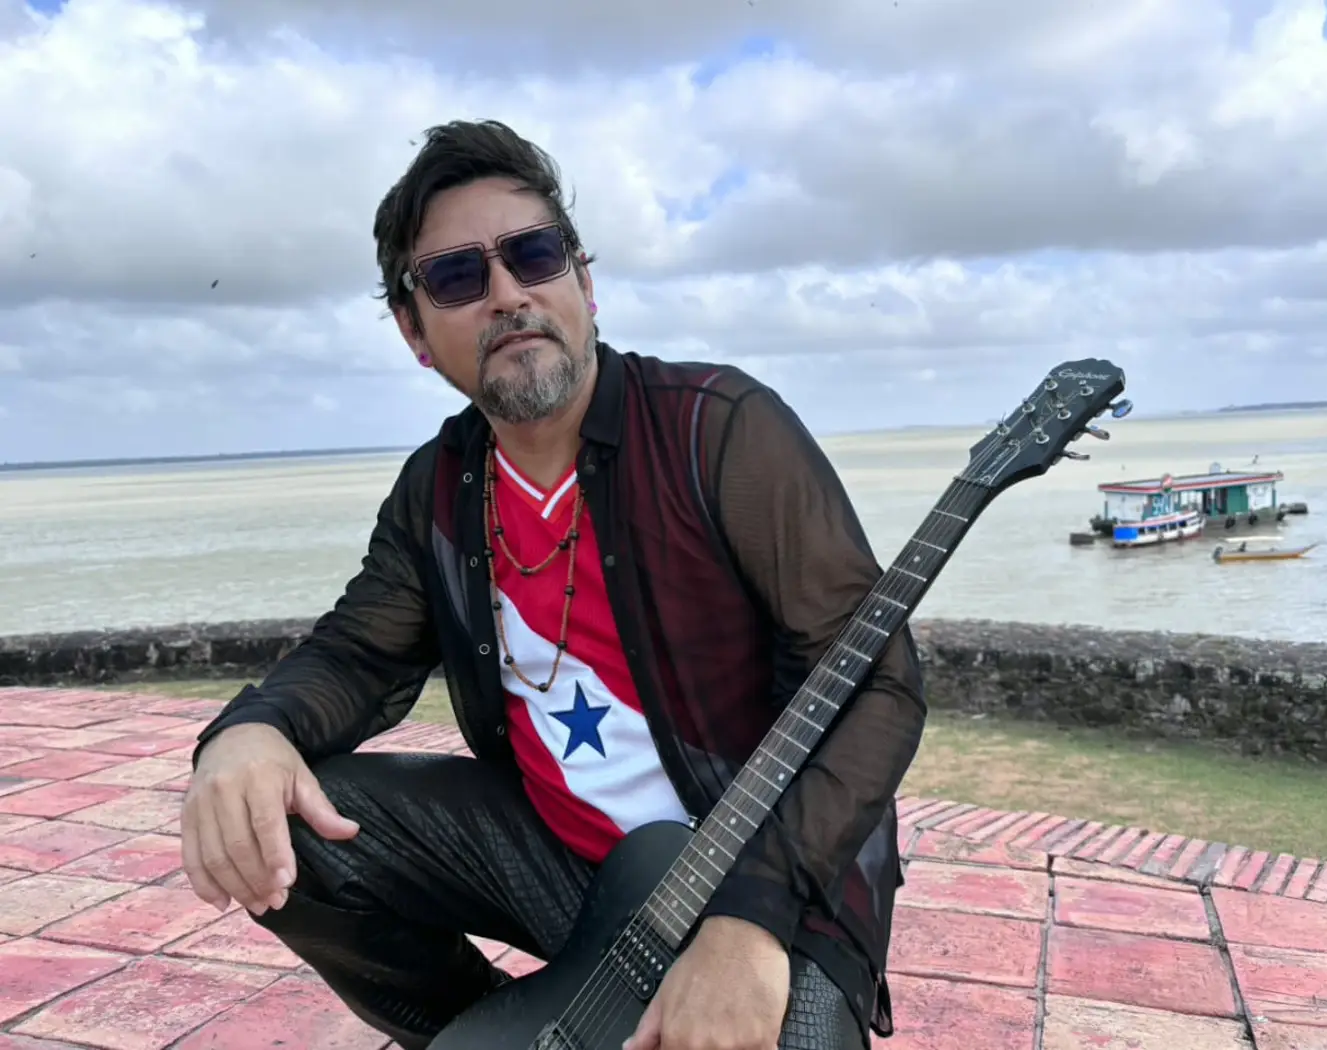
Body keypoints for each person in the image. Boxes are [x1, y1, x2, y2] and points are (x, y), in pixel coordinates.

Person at [179, 119, 927, 1050]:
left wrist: (754, 917)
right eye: (457, 277)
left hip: (766, 861)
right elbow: (359, 653)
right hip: (563, 861)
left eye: (533, 255)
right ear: (415, 332)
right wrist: (249, 731)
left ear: (583, 282)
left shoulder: (719, 430)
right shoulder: (439, 487)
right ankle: (483, 1027)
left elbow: (879, 683)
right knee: (278, 823)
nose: (508, 295)